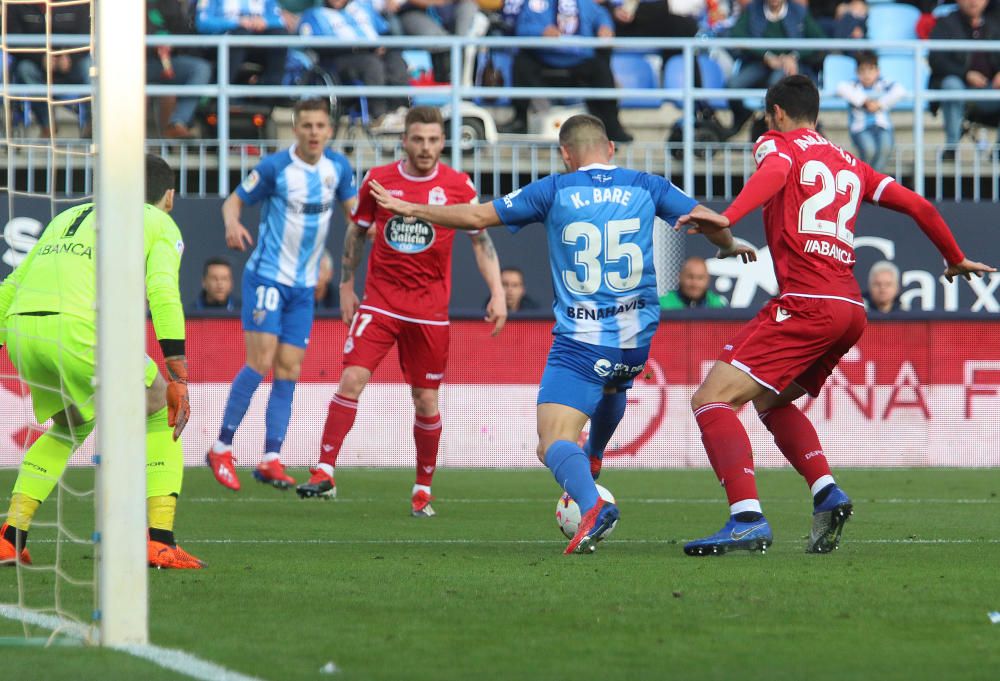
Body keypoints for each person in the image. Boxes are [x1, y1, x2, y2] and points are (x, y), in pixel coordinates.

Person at [368, 113, 754, 551]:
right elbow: (713, 221)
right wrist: (730, 245)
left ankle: (592, 506)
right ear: (610, 149)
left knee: (550, 441)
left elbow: (476, 214)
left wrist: (411, 207)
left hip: (582, 341)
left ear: (565, 154)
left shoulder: (553, 189)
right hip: (635, 343)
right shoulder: (648, 184)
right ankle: (593, 457)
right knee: (613, 388)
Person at [675, 75, 994, 556]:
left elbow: (776, 172)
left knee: (711, 400)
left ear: (776, 113)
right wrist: (953, 255)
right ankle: (826, 490)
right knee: (773, 402)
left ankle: (746, 518)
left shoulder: (777, 144)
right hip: (849, 309)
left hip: (807, 302)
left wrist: (728, 215)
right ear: (817, 115)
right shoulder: (851, 162)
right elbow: (919, 204)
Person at [295, 106, 507, 516]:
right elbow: (356, 232)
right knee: (352, 377)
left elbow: (481, 241)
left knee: (425, 400)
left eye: (432, 140)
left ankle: (423, 488)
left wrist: (497, 291)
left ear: (443, 142)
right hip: (381, 300)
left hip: (429, 311)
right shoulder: (379, 180)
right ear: (404, 140)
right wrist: (345, 284)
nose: (425, 148)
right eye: (418, 139)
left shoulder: (458, 186)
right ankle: (324, 471)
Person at [0, 154, 203, 569]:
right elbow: (163, 292)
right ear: (169, 196)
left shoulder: (68, 216)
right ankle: (160, 540)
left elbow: (12, 284)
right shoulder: (159, 221)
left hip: (23, 330)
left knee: (69, 426)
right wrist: (178, 372)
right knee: (161, 404)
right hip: (82, 330)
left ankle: (10, 536)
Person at [206, 99, 358, 492]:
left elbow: (354, 215)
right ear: (296, 128)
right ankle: (221, 447)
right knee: (259, 362)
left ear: (328, 130)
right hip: (268, 279)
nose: (313, 132)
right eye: (306, 124)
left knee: (289, 369)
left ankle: (271, 457)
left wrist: (371, 227)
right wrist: (232, 223)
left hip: (304, 288)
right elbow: (234, 200)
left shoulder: (338, 168)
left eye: (320, 125)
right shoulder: (276, 168)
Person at [499, 0, 633, 142]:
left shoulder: (584, 2)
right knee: (522, 61)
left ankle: (612, 128)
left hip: (580, 60)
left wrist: (605, 27)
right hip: (543, 59)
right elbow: (522, 28)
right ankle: (520, 121)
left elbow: (601, 15)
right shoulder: (535, 3)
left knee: (600, 67)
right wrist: (541, 31)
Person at [293, 0, 411, 130]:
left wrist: (384, 46)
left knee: (396, 59)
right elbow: (317, 46)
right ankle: (378, 116)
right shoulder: (314, 15)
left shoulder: (363, 7)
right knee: (371, 64)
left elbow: (385, 32)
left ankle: (399, 110)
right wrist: (357, 48)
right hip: (340, 60)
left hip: (374, 53)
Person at [724, 0, 826, 139]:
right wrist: (766, 55)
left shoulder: (798, 11)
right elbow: (736, 34)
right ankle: (744, 119)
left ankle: (775, 129)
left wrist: (793, 56)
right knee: (733, 85)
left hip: (788, 65)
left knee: (777, 84)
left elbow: (819, 39)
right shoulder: (753, 9)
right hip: (760, 62)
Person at [7, 2, 92, 138]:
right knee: (25, 69)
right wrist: (41, 58)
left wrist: (71, 57)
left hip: (71, 62)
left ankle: (91, 124)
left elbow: (86, 35)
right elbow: (12, 40)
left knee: (89, 68)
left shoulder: (76, 3)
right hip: (36, 63)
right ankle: (47, 125)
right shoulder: (17, 4)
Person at [929, 0, 1000, 154]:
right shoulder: (945, 23)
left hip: (990, 89)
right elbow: (936, 60)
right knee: (951, 84)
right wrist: (965, 74)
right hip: (960, 87)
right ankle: (951, 148)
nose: (973, 1)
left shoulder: (995, 23)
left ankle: (998, 152)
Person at [147, 0, 214, 139]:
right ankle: (130, 140)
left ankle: (177, 124)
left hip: (166, 62)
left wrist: (171, 44)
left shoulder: (170, 4)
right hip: (130, 64)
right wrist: (152, 44)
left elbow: (183, 32)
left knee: (200, 68)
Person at [836, 52, 905, 172]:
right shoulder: (854, 85)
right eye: (863, 71)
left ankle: (871, 180)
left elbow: (900, 90)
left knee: (886, 147)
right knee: (869, 150)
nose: (867, 75)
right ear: (857, 72)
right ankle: (868, 180)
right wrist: (865, 101)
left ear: (878, 71)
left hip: (882, 126)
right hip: (860, 129)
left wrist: (879, 104)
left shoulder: (883, 83)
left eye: (871, 70)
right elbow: (840, 88)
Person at [659, 255, 729, 309]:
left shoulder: (719, 306)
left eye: (700, 278)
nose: (695, 283)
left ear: (707, 280)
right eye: (690, 277)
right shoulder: (662, 305)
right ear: (680, 277)